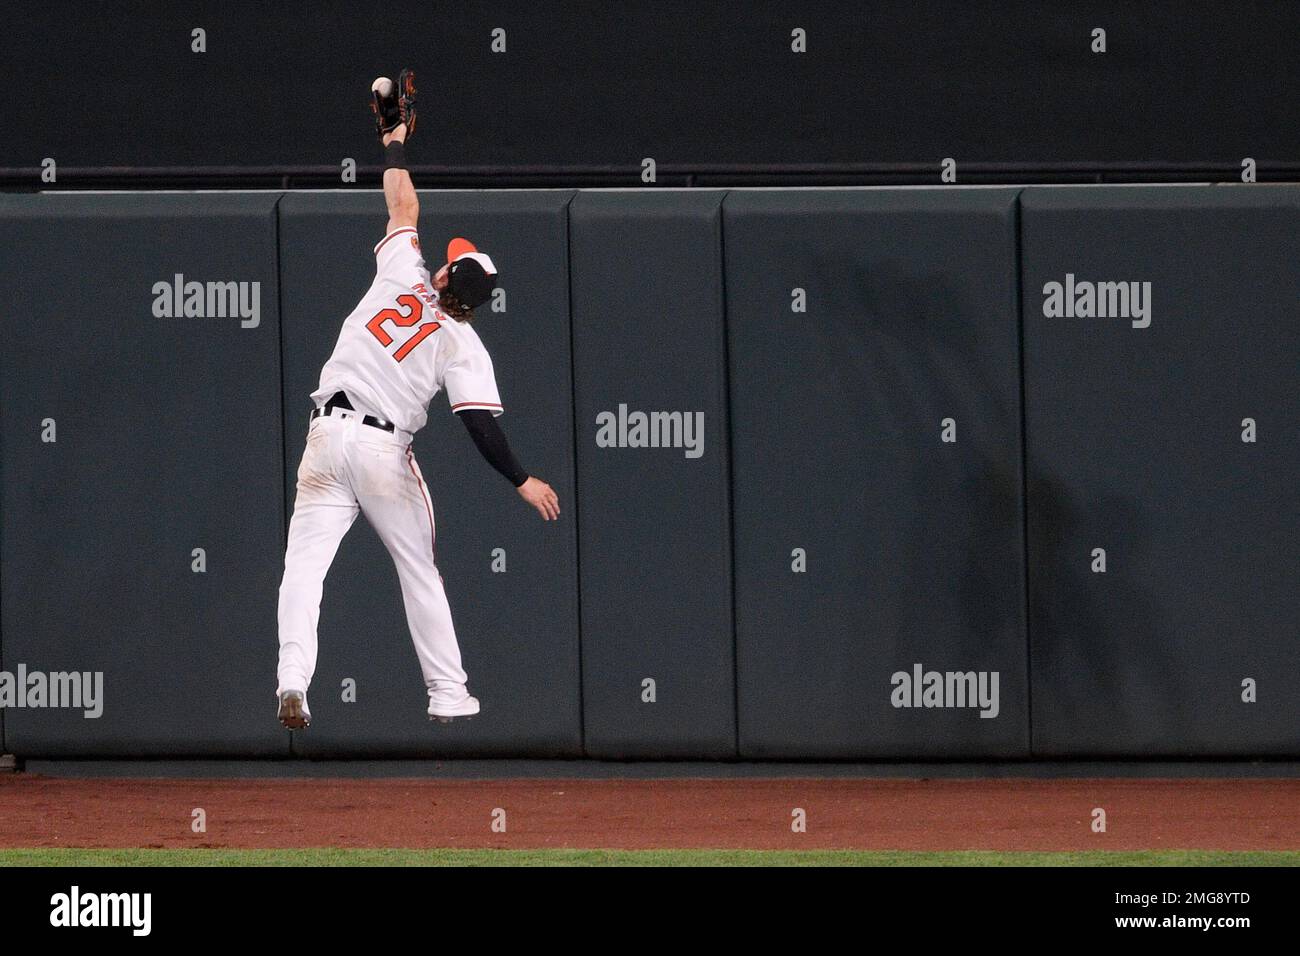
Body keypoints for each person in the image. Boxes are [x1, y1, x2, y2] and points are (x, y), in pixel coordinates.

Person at [274, 71, 559, 729]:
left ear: (441, 274)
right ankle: (448, 695)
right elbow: (481, 426)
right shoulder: (464, 343)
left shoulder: (403, 270)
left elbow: (402, 206)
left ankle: (293, 680)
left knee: (303, 570)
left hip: (326, 436)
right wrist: (520, 479)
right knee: (418, 569)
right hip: (380, 452)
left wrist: (395, 141)